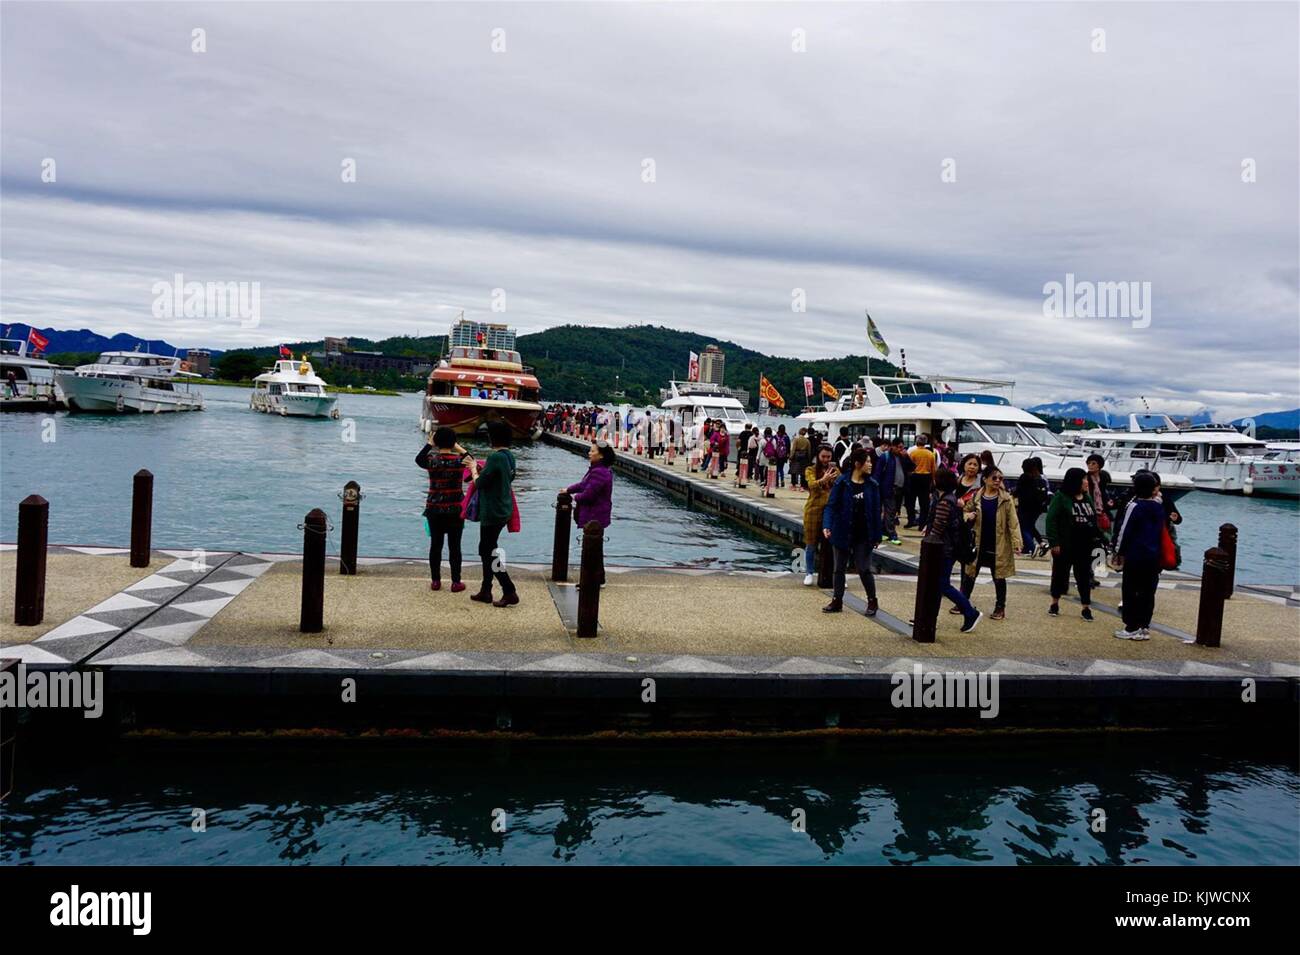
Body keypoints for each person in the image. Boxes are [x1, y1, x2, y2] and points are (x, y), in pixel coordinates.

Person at [821, 446, 882, 615]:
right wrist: (827, 525)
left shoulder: (873, 485)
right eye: (867, 462)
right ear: (857, 463)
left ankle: (872, 600)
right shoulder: (843, 482)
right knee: (839, 568)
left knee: (864, 568)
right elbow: (831, 506)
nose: (870, 465)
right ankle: (837, 600)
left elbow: (876, 512)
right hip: (842, 530)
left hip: (864, 534)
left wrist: (877, 535)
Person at [959, 466, 1022, 621]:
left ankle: (1000, 607)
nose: (997, 481)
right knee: (970, 573)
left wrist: (1017, 542)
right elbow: (964, 512)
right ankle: (962, 602)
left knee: (999, 577)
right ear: (985, 479)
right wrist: (969, 515)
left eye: (1000, 478)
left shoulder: (1006, 499)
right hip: (979, 541)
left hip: (998, 543)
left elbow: (1013, 522)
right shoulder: (977, 496)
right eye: (994, 478)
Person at [416, 427, 474, 592]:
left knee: (436, 545)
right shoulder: (459, 461)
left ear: (436, 442)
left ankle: (435, 581)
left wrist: (429, 444)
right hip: (456, 509)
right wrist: (458, 447)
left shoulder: (432, 460)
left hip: (434, 509)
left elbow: (418, 459)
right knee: (455, 547)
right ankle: (456, 582)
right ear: (453, 442)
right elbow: (472, 461)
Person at [469, 421, 519, 607]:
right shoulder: (509, 456)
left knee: (487, 551)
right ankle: (486, 590)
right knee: (488, 549)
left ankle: (509, 590)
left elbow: (479, 483)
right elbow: (505, 477)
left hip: (492, 510)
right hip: (503, 508)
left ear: (492, 437)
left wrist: (473, 468)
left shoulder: (495, 457)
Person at [925, 468, 982, 632]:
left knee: (942, 585)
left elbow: (938, 528)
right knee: (937, 585)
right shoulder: (951, 499)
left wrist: (927, 543)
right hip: (948, 549)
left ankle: (970, 612)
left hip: (944, 550)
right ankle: (928, 618)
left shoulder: (944, 502)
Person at [1112, 471, 1164, 640]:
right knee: (1148, 592)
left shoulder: (1134, 506)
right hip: (1153, 555)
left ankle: (1131, 626)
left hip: (1135, 555)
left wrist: (1118, 552)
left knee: (1130, 590)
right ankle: (1144, 626)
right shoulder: (1158, 506)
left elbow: (1124, 530)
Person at [1045, 467, 1096, 621]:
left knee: (1084, 576)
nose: (1087, 482)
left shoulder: (1087, 498)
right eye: (1084, 479)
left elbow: (1093, 519)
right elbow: (1051, 520)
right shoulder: (1061, 497)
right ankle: (1054, 603)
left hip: (1084, 545)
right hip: (1065, 544)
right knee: (1060, 574)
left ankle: (1086, 607)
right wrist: (1054, 541)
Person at [565, 439, 615, 586]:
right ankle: (598, 578)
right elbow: (584, 484)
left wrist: (575, 497)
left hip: (595, 514)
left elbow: (589, 494)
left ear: (601, 456)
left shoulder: (599, 472)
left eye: (593, 451)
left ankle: (591, 580)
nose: (589, 453)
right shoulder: (598, 470)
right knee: (596, 548)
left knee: (592, 549)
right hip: (598, 513)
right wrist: (568, 490)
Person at [801, 445, 840, 585]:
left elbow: (841, 487)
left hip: (831, 511)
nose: (825, 459)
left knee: (833, 544)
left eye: (828, 457)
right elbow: (811, 485)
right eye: (823, 456)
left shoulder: (836, 471)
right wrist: (824, 479)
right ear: (818, 456)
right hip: (813, 510)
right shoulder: (810, 469)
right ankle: (809, 572)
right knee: (811, 543)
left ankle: (837, 574)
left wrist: (834, 478)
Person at [1015, 457, 1052, 557]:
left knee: (1023, 527)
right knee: (1030, 526)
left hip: (1025, 506)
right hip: (1038, 507)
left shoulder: (1024, 477)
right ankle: (1041, 543)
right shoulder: (1040, 478)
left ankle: (1031, 546)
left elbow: (1017, 490)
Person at [1151, 472, 1182, 569]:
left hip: (1163, 534)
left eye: (1155, 486)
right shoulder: (1140, 500)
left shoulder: (1165, 499)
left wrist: (1175, 518)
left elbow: (1178, 519)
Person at [874, 438, 903, 545]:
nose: (901, 449)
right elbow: (877, 474)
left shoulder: (901, 457)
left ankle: (884, 531)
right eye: (899, 447)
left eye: (902, 447)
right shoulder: (885, 457)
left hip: (898, 490)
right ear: (893, 446)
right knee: (890, 512)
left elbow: (911, 466)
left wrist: (906, 456)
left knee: (890, 512)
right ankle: (892, 534)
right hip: (887, 489)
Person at [904, 435, 937, 529]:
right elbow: (933, 469)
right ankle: (922, 524)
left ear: (917, 442)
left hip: (914, 477)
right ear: (925, 443)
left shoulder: (913, 453)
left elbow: (909, 467)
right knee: (924, 503)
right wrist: (933, 480)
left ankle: (911, 520)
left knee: (910, 501)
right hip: (926, 478)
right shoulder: (930, 454)